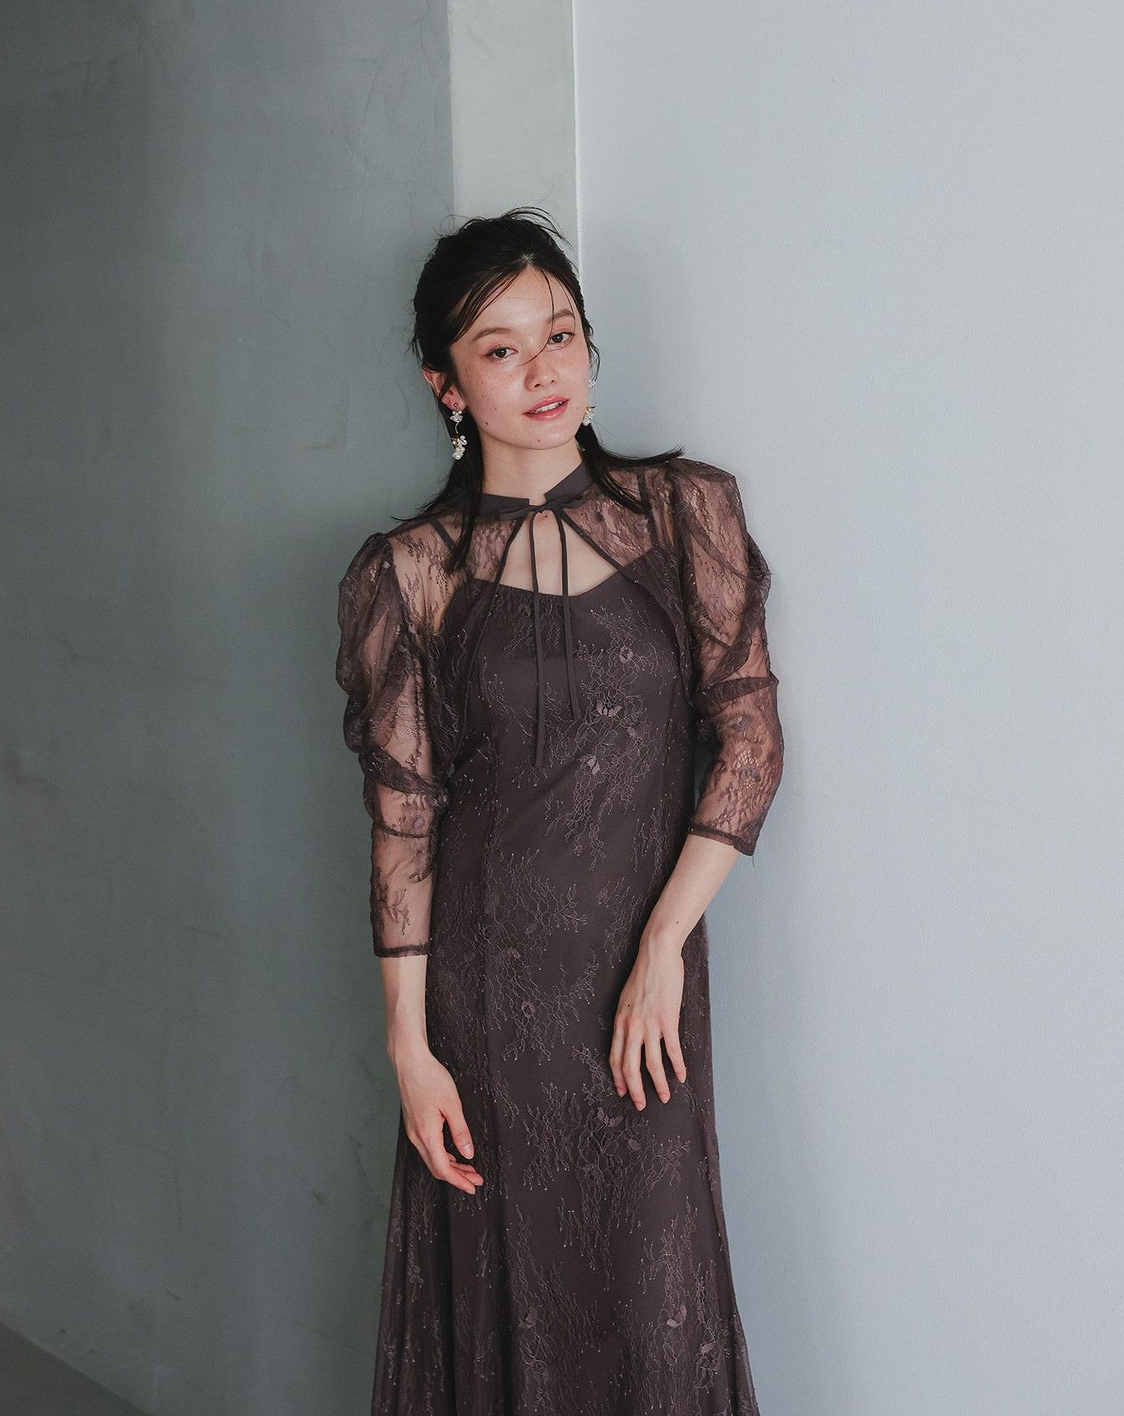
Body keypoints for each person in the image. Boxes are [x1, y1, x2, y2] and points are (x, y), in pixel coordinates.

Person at [335, 207, 785, 1414]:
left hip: (644, 987)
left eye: (561, 333)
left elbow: (750, 742)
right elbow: (406, 824)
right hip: (488, 1004)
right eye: (501, 348)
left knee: (652, 1285)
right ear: (445, 386)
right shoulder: (409, 574)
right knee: (507, 1286)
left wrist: (663, 946)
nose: (543, 369)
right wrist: (409, 1049)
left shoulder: (682, 513)